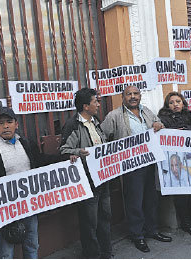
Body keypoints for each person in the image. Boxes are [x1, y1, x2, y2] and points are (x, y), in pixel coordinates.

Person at [0, 107, 57, 259]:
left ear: (16, 124)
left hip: (29, 204)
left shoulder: (26, 143)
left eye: (9, 122)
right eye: (0, 123)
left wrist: (67, 158)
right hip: (5, 209)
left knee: (31, 245)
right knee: (6, 251)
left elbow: (41, 161)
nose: (5, 126)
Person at [100, 86, 172, 253]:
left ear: (140, 96)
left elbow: (159, 125)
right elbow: (102, 136)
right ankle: (137, 235)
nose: (133, 97)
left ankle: (152, 230)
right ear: (122, 97)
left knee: (151, 198)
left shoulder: (146, 111)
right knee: (134, 201)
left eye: (136, 94)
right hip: (131, 166)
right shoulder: (114, 116)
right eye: (129, 94)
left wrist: (158, 124)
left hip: (150, 161)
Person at [60, 88, 112, 259]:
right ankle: (92, 254)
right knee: (90, 221)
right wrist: (78, 152)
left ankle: (106, 252)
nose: (98, 104)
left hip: (102, 177)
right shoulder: (72, 125)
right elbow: (64, 151)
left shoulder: (95, 121)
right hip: (87, 181)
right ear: (85, 106)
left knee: (105, 217)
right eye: (95, 101)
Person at [158, 91, 191, 236]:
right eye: (171, 102)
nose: (175, 104)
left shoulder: (189, 115)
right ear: (167, 105)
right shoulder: (163, 118)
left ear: (183, 103)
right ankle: (186, 223)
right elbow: (162, 136)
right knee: (182, 194)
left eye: (178, 101)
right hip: (175, 160)